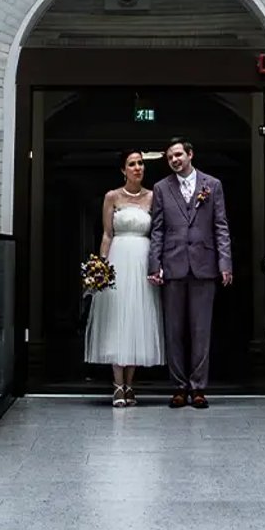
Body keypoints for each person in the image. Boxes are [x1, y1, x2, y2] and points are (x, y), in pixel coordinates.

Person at [148, 136, 232, 410]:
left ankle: (198, 388)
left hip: (204, 264)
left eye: (178, 155)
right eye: (170, 157)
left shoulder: (212, 185)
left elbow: (220, 225)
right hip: (172, 265)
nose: (174, 160)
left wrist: (225, 263)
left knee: (200, 329)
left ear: (190, 154)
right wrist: (154, 264)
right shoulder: (161, 188)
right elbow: (157, 229)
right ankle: (178, 387)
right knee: (174, 330)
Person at [84, 151, 165, 407]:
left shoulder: (153, 196)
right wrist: (101, 267)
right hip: (119, 258)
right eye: (132, 164)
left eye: (141, 163)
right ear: (123, 170)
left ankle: (131, 384)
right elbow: (107, 234)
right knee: (117, 317)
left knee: (137, 317)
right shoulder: (112, 197)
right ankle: (117, 385)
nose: (138, 167)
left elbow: (159, 232)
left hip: (142, 258)